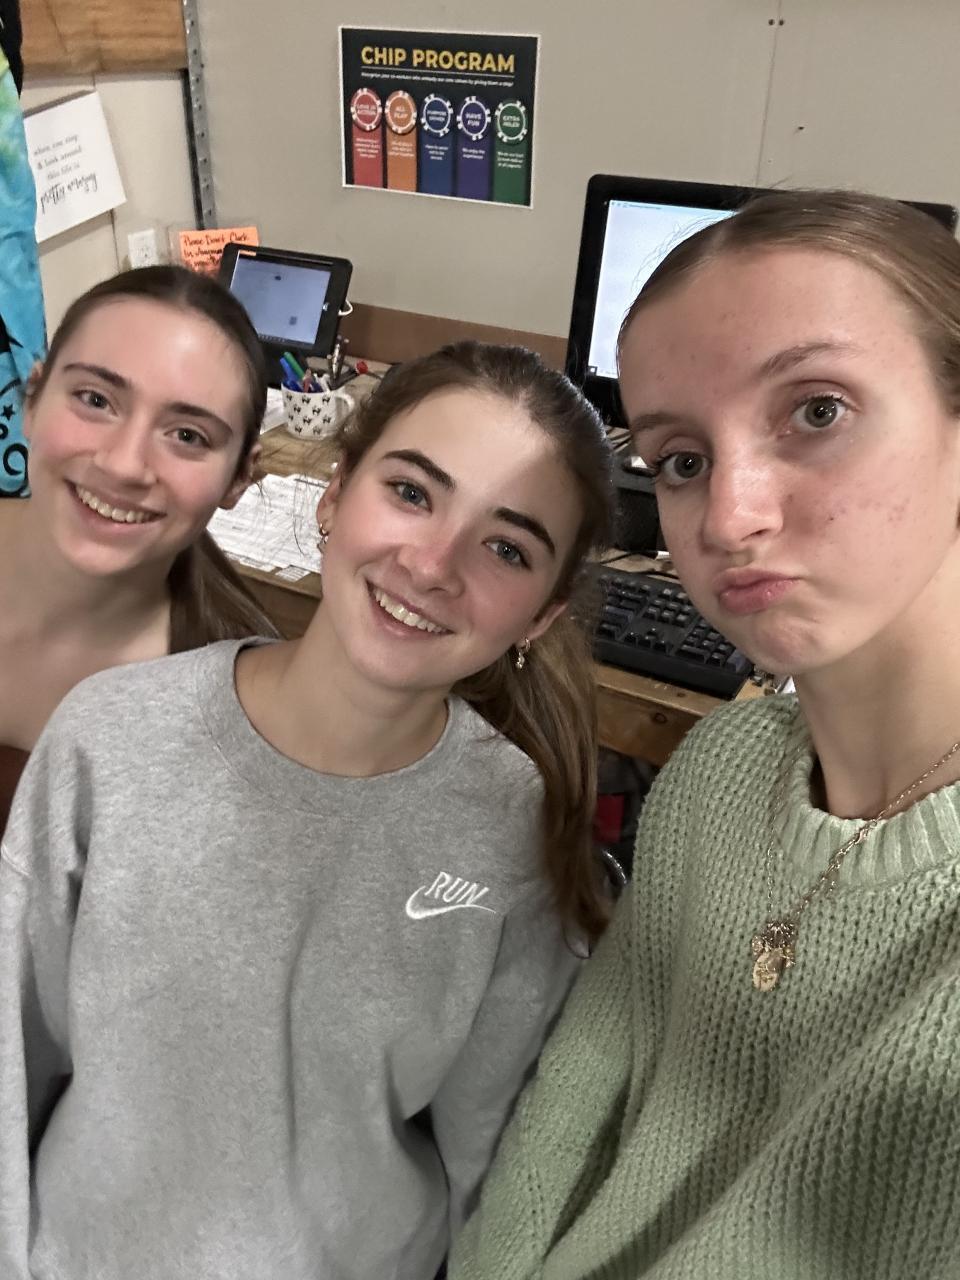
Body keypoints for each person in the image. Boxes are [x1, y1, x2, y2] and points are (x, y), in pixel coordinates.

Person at [0, 340, 615, 1280]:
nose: (433, 565)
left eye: (506, 547)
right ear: (334, 496)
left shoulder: (512, 825)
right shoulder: (109, 740)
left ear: (541, 615)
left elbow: (493, 1153)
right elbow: (15, 1054)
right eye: (411, 492)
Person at [450, 190, 960, 1280]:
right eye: (681, 459)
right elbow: (581, 1086)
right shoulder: (724, 766)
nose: (729, 518)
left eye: (816, 411)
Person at [0, 264, 279, 830]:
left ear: (238, 478)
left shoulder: (245, 709)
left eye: (187, 435)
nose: (124, 465)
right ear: (32, 398)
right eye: (95, 399)